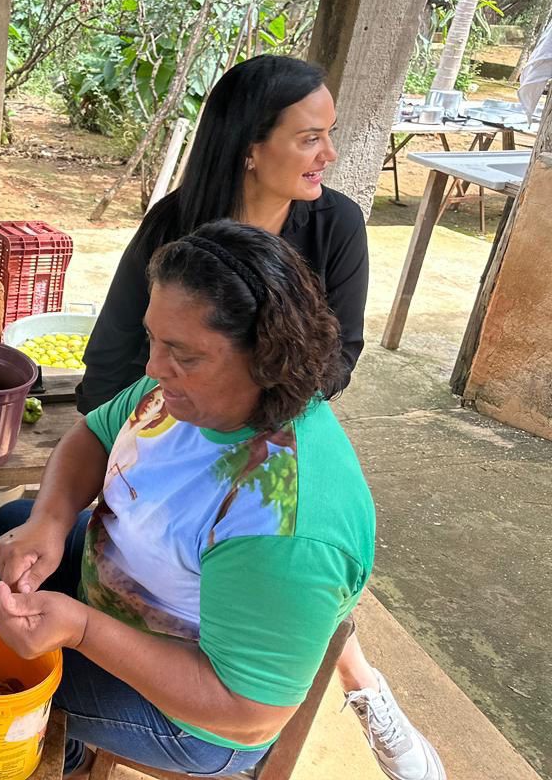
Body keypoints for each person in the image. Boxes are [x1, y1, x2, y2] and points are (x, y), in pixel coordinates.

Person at [74, 55, 443, 780]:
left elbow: (339, 353)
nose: (329, 154)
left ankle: (363, 688)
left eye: (326, 136)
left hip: (265, 428)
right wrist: (128, 457)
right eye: (310, 137)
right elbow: (115, 355)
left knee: (277, 571)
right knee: (167, 550)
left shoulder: (333, 225)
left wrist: (249, 415)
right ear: (252, 145)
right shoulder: (177, 230)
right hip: (187, 425)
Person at [0, 220, 375, 778]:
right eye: (154, 338)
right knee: (15, 522)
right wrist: (50, 521)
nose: (152, 368)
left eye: (183, 355)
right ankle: (69, 739)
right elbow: (95, 433)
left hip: (197, 715)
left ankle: (64, 751)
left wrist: (82, 630)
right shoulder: (182, 389)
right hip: (125, 590)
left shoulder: (285, 525)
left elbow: (248, 713)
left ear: (267, 357)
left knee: (0, 686)